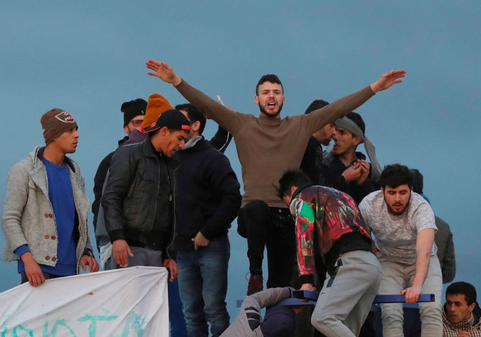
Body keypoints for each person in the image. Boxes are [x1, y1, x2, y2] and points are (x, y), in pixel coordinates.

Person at [146, 59, 405, 295]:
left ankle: (272, 311)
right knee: (257, 209)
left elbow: (339, 107)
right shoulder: (241, 123)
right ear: (256, 99)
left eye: (276, 92)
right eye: (266, 92)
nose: (271, 96)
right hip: (253, 216)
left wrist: (375, 87)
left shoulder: (300, 125)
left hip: (289, 216)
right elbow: (207, 105)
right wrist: (175, 80)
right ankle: (255, 274)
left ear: (283, 99)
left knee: (281, 286)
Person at [278, 169, 387, 337]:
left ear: (291, 192)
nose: (292, 211)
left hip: (349, 263)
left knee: (322, 317)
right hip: (371, 266)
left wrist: (306, 279)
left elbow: (304, 237)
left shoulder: (302, 198)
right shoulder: (341, 197)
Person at [359, 164, 446, 337]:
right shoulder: (369, 205)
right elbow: (359, 237)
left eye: (403, 192)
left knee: (431, 309)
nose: (397, 199)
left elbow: (424, 251)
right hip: (388, 260)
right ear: (382, 191)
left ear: (411, 190)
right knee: (390, 312)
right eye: (392, 192)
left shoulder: (421, 208)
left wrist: (417, 285)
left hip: (423, 260)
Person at [2, 108, 99, 287]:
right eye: (70, 131)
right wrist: (27, 259)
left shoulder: (74, 171)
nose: (77, 135)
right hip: (37, 268)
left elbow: (79, 218)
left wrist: (86, 251)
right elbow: (9, 219)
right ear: (54, 135)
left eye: (76, 130)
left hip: (70, 269)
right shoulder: (24, 170)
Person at [173, 104, 241, 337]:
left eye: (180, 120)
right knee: (191, 315)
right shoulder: (171, 158)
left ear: (195, 125)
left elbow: (233, 198)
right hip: (181, 250)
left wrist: (207, 232)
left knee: (214, 310)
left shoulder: (213, 158)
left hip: (212, 246)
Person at [101, 109, 191, 282]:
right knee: (127, 299)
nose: (181, 145)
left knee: (149, 302)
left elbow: (171, 213)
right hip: (128, 248)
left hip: (157, 255)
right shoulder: (129, 154)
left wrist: (169, 255)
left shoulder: (172, 166)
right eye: (179, 138)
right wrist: (117, 238)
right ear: (164, 131)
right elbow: (111, 197)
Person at [92, 98, 148, 228]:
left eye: (147, 122)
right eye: (137, 122)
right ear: (125, 128)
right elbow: (100, 204)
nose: (142, 127)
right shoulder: (110, 161)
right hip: (118, 235)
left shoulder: (164, 157)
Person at [318, 115, 378, 203]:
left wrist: (363, 182)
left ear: (356, 140)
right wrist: (343, 179)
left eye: (342, 132)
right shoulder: (322, 166)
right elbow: (316, 197)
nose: (335, 136)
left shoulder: (370, 172)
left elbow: (375, 206)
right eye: (335, 130)